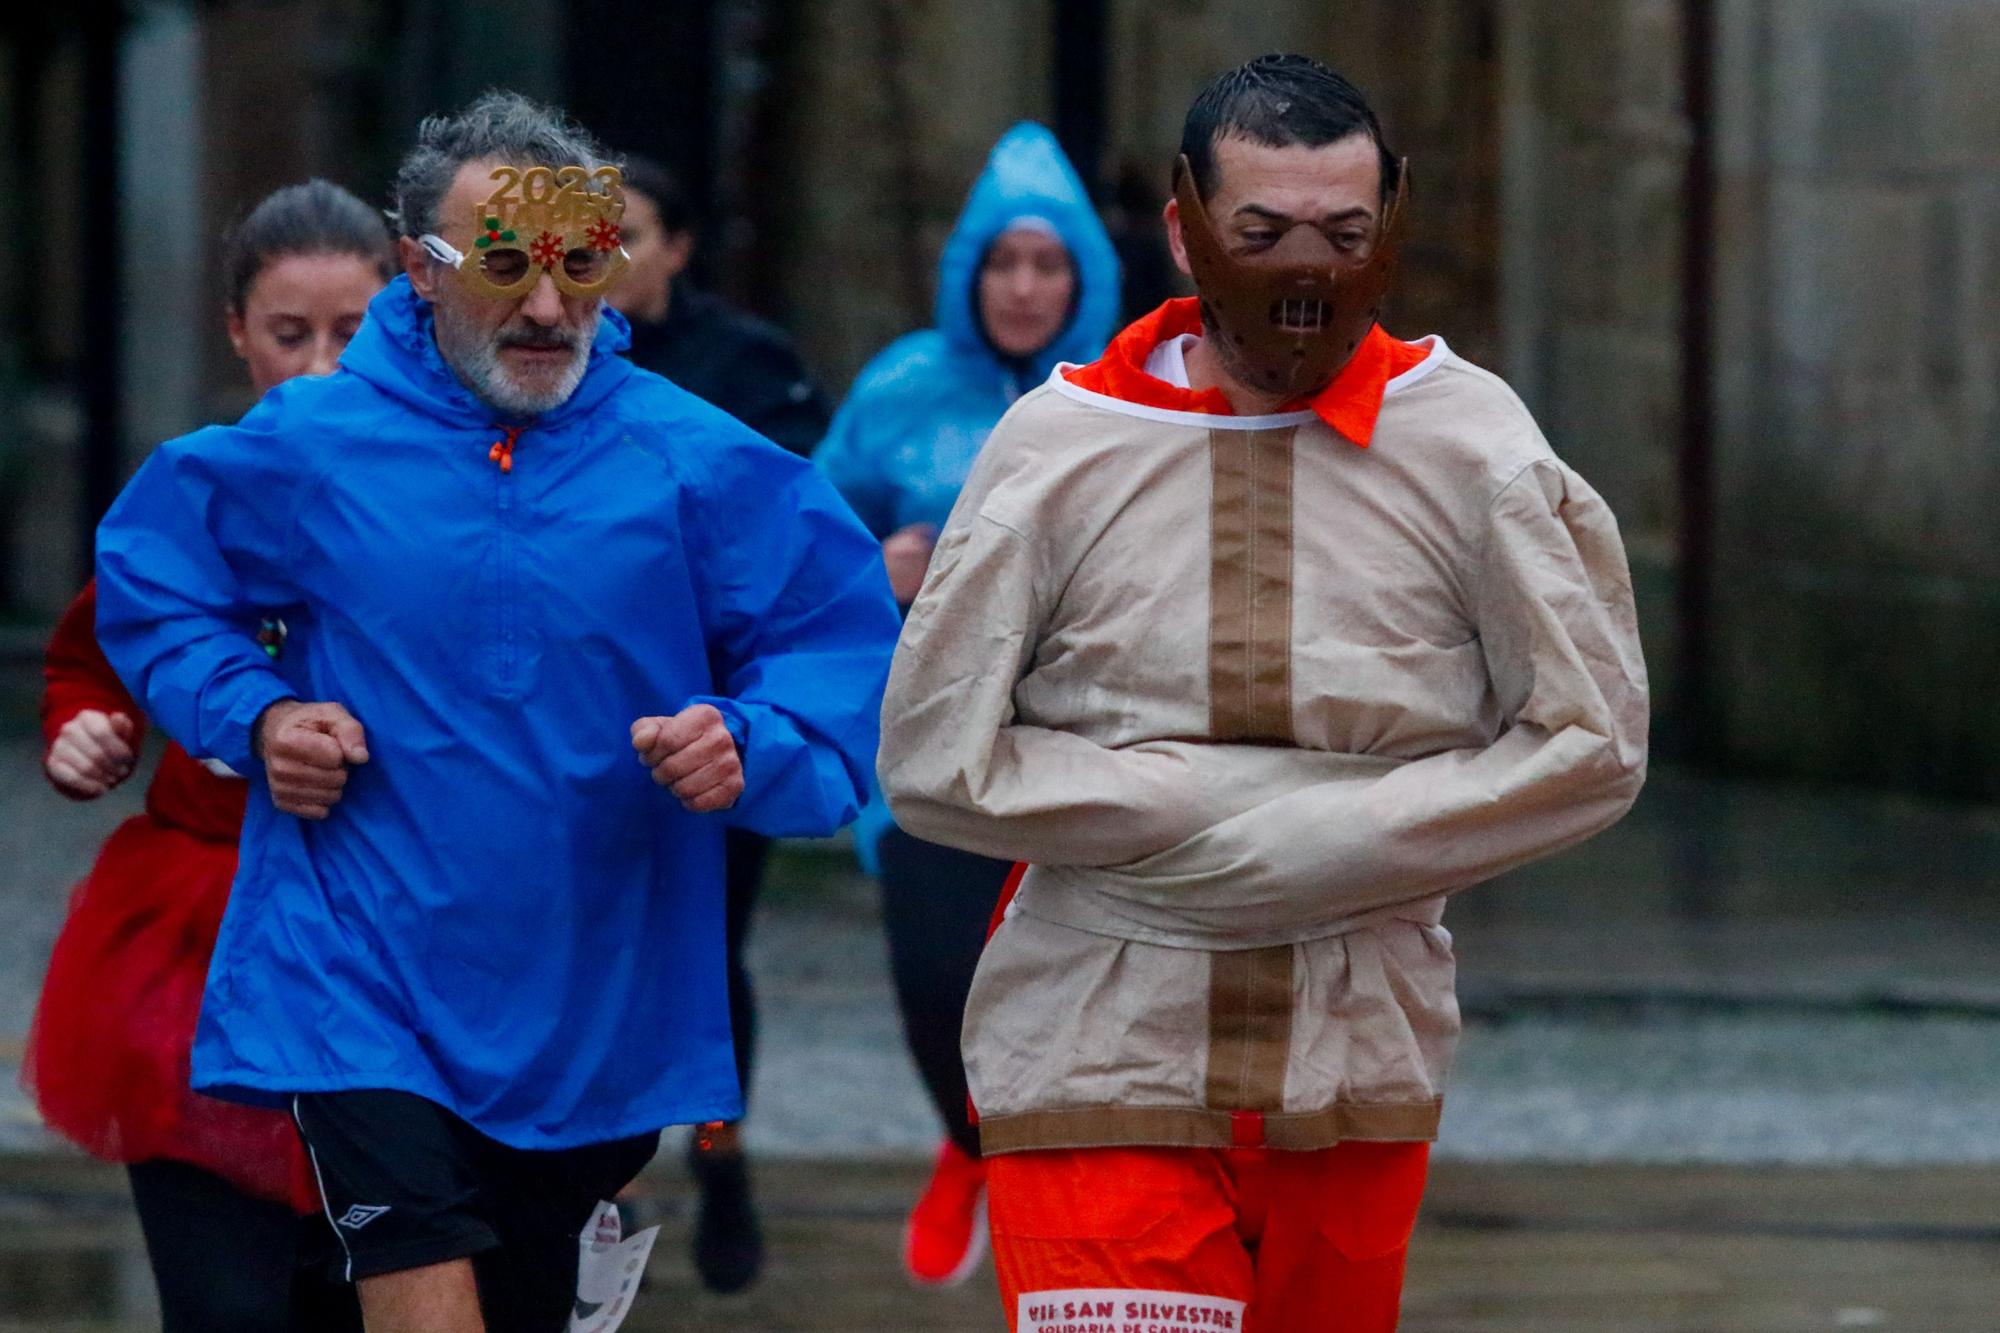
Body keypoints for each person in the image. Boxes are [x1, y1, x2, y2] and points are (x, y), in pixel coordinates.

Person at [93, 92, 899, 1333]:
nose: (544, 306)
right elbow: (153, 572)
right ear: (419, 268)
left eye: (580, 263)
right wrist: (253, 716)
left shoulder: (693, 460)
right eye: (507, 263)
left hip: (595, 998)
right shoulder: (313, 443)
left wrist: (750, 741)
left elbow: (836, 643)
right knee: (422, 1285)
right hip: (351, 970)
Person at [878, 55, 1649, 1332]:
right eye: (1262, 233)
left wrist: (1336, 838)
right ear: (1185, 234)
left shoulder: (1472, 446)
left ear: (1388, 229)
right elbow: (930, 758)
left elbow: (1590, 740)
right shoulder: (1060, 447)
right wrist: (1178, 821)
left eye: (1346, 235)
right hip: (1090, 1051)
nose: (1307, 272)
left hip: (1355, 1066)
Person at [26, 178, 390, 1333]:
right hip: (200, 937)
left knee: (363, 1288)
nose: (323, 365)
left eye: (357, 333)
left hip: (394, 936)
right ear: (238, 333)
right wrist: (86, 731)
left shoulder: (454, 502)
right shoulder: (194, 492)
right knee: (226, 1304)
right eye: (293, 335)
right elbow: (96, 651)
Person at [813, 121, 1119, 1288]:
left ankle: (1055, 1205)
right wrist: (869, 569)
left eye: (1048, 264)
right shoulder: (900, 386)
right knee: (937, 985)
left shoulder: (1125, 393)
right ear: (968, 273)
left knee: (1071, 1008)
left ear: (1082, 275)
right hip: (931, 760)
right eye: (1004, 263)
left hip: (1079, 757)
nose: (1026, 287)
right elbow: (800, 541)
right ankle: (966, 1135)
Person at [604, 150, 833, 1294]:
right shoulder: (538, 368)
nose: (604, 263)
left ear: (680, 247)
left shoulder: (746, 365)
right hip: (593, 725)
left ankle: (719, 1158)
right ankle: (602, 1176)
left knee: (707, 957)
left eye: (631, 234)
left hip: (717, 723)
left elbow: (796, 543)